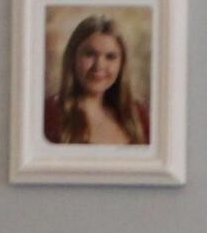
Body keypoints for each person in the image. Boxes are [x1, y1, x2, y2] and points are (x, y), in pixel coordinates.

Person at [41, 13, 151, 146]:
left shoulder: (139, 116)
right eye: (89, 54)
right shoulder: (48, 115)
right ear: (73, 58)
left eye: (110, 57)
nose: (99, 66)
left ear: (122, 64)